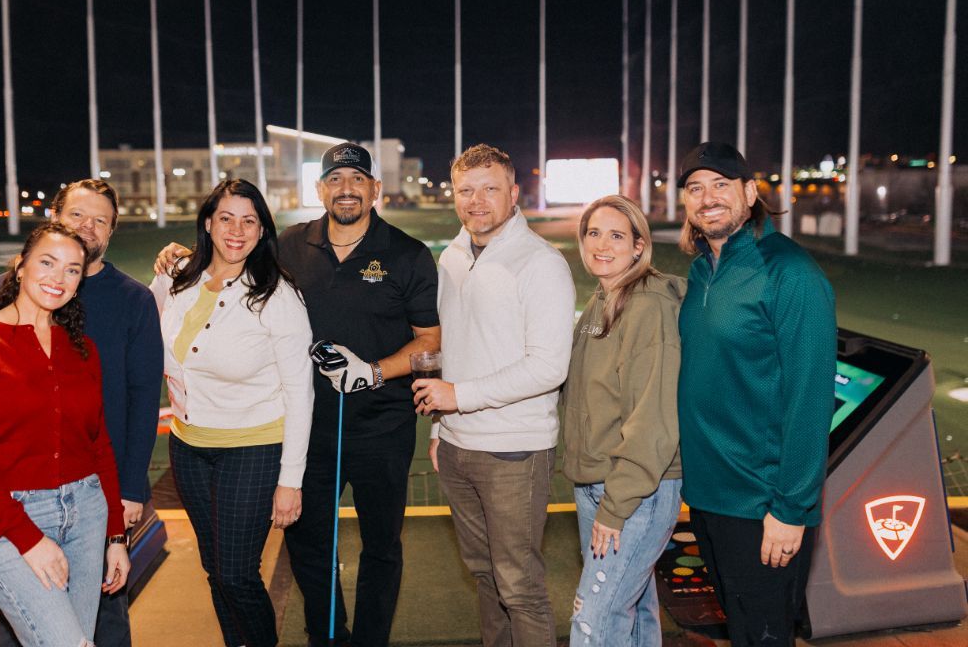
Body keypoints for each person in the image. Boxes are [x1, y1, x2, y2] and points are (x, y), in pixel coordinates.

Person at [154, 142, 440, 647]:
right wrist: (180, 252)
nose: (345, 189)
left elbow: (430, 341)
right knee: (310, 548)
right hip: (307, 431)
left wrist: (372, 373)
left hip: (382, 427)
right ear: (320, 188)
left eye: (356, 180)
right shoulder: (290, 243)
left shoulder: (408, 254)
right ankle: (327, 637)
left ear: (375, 189)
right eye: (335, 180)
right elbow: (232, 253)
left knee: (382, 547)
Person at [0, 179, 162, 647]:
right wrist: (28, 538)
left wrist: (118, 531)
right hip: (11, 512)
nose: (58, 277)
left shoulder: (86, 346)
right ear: (21, 267)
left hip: (90, 507)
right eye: (48, 263)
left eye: (72, 270)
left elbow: (111, 429)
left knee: (88, 634)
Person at [675, 142, 836, 647]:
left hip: (762, 502)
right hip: (707, 496)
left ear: (749, 192)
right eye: (695, 188)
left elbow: (810, 401)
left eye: (721, 185)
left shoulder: (790, 272)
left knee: (764, 637)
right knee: (742, 629)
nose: (708, 198)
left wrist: (790, 509)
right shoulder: (702, 268)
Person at [414, 143, 574, 647]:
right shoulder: (454, 256)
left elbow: (549, 367)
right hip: (459, 446)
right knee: (484, 576)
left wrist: (457, 397)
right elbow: (455, 351)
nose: (476, 200)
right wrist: (443, 429)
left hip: (514, 449)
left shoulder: (541, 263)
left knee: (519, 585)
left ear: (513, 194)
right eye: (466, 190)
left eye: (489, 189)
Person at [150, 179, 313, 647]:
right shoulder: (176, 273)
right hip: (188, 447)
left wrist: (290, 481)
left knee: (238, 574)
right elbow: (138, 329)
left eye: (249, 220)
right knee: (215, 571)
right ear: (208, 222)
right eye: (226, 218)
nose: (237, 230)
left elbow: (300, 392)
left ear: (262, 230)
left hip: (254, 450)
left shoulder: (277, 296)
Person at [561, 195, 685, 646]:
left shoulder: (648, 307)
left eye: (616, 235)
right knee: (632, 614)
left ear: (639, 246)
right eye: (593, 233)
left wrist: (617, 506)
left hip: (634, 492)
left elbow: (652, 418)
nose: (601, 245)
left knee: (595, 620)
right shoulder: (604, 298)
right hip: (598, 482)